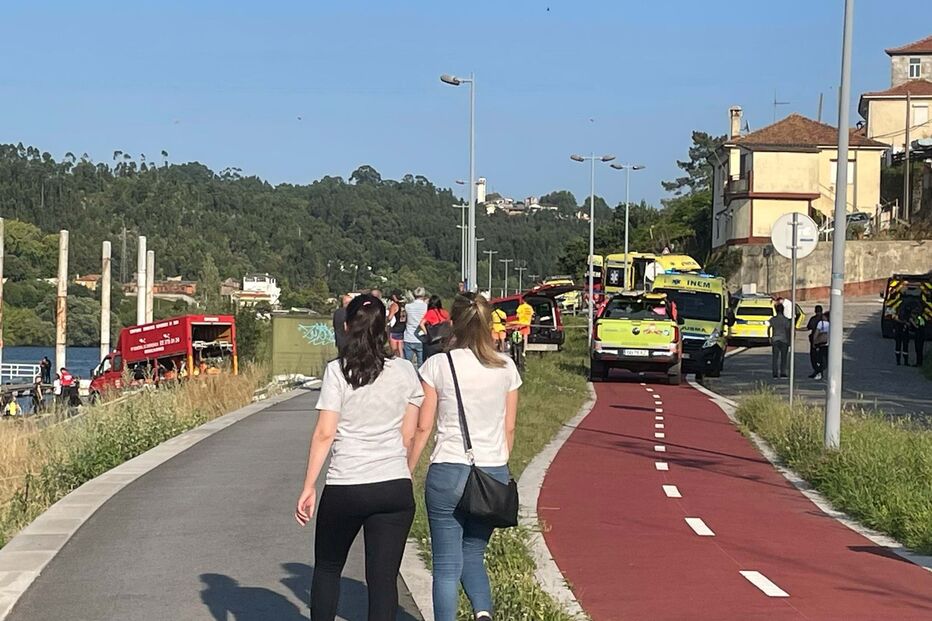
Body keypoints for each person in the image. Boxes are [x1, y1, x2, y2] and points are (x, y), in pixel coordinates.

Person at [294, 294, 423, 621]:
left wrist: (309, 486)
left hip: (347, 485)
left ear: (348, 327)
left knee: (327, 568)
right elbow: (408, 435)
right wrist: (399, 473)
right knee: (382, 581)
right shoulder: (406, 371)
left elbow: (325, 433)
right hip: (394, 485)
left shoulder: (338, 371)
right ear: (385, 328)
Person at [409, 293, 522, 621]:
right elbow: (510, 427)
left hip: (447, 469)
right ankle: (483, 613)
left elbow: (423, 427)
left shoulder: (437, 365)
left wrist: (408, 469)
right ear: (489, 324)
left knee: (445, 567)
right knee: (474, 554)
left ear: (452, 322)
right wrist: (497, 463)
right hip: (491, 473)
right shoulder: (505, 367)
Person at [419, 295, 451, 359]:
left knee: (433, 360)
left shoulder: (430, 312)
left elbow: (421, 324)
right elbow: (450, 323)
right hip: (444, 341)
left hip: (434, 341)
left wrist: (427, 333)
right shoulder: (445, 312)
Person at [403, 287, 429, 367]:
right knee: (421, 365)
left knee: (408, 364)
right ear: (423, 295)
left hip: (408, 336)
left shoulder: (408, 306)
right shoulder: (426, 307)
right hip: (421, 337)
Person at [770, 303, 791, 378]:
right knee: (784, 358)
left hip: (775, 339)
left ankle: (775, 373)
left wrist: (770, 337)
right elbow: (788, 330)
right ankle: (783, 372)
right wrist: (789, 340)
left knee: (775, 358)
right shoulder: (786, 320)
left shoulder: (773, 319)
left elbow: (769, 328)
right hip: (784, 340)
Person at [387, 289, 407, 358]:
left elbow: (390, 317)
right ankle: (402, 362)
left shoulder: (394, 305)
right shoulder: (404, 305)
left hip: (395, 328)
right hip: (402, 328)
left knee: (394, 350)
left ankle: (396, 363)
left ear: (394, 296)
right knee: (400, 349)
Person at [810, 311, 830, 380]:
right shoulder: (833, 323)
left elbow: (816, 333)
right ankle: (824, 371)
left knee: (819, 359)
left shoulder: (821, 323)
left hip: (821, 344)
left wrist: (814, 342)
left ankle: (819, 372)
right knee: (826, 359)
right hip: (828, 344)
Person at [806, 305, 824, 374]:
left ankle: (816, 370)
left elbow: (808, 328)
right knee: (822, 356)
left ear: (815, 311)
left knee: (813, 356)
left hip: (814, 340)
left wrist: (797, 329)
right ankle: (820, 369)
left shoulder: (813, 319)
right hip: (824, 340)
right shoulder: (825, 318)